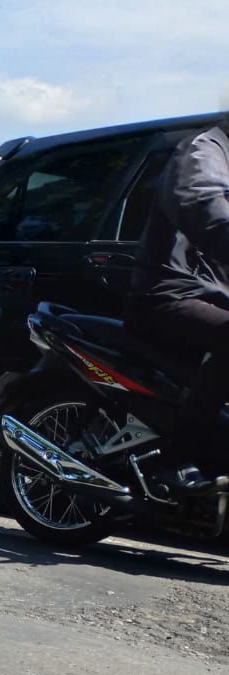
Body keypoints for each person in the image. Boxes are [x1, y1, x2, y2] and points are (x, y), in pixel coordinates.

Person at [125, 119, 229, 491]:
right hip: (170, 292)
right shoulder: (203, 152)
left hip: (212, 295)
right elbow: (203, 206)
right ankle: (176, 459)